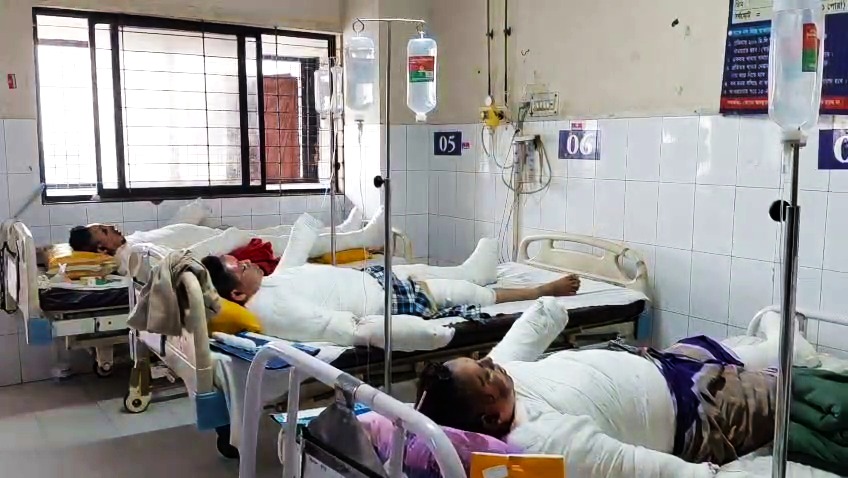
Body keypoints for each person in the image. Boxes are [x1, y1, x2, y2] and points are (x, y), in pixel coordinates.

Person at [414, 300, 820, 478]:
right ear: (491, 418)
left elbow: (545, 315)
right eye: (484, 375)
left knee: (714, 350)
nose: (491, 365)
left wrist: (550, 301)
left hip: (660, 363)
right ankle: (789, 349)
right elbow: (636, 466)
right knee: (782, 388)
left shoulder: (500, 380)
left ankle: (778, 340)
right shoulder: (541, 439)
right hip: (701, 413)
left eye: (482, 361)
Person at [201, 214, 581, 345]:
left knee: (435, 274)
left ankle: (474, 272)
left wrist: (305, 227)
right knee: (466, 293)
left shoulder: (268, 286)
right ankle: (541, 289)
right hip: (389, 301)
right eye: (240, 267)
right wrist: (423, 333)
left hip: (378, 279)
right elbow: (346, 329)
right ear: (237, 293)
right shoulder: (272, 309)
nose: (247, 262)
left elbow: (291, 262)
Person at [68, 205, 378, 266]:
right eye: (105, 231)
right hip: (227, 249)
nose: (112, 227)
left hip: (222, 236)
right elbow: (180, 260)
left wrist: (194, 212)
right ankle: (362, 238)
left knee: (283, 231)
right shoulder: (134, 257)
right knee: (291, 241)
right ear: (101, 250)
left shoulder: (133, 242)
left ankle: (344, 230)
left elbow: (173, 233)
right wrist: (227, 240)